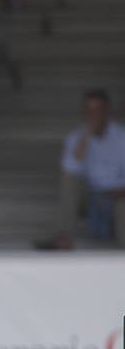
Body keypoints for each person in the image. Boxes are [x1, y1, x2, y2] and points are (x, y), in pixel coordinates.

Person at [37, 89, 125, 251]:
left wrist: (117, 190)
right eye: (88, 110)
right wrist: (85, 138)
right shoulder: (76, 137)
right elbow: (69, 169)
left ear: (107, 112)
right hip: (89, 197)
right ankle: (63, 237)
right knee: (68, 178)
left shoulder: (122, 137)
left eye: (97, 110)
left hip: (116, 195)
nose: (93, 115)